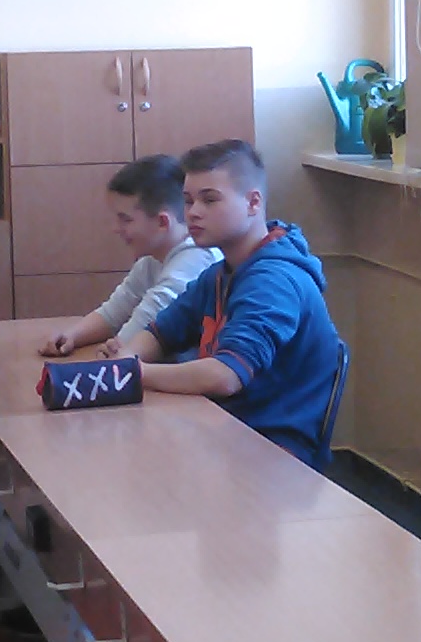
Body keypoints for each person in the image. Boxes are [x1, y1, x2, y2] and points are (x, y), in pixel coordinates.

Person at [125, 141, 343, 465]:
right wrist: (127, 359)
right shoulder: (222, 271)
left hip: (271, 450)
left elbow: (225, 376)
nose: (193, 212)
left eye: (209, 199)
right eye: (188, 200)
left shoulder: (274, 281)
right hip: (222, 426)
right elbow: (161, 331)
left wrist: (133, 372)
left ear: (253, 202)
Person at [38, 154, 212, 359]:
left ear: (162, 222)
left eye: (125, 219)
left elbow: (147, 325)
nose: (116, 228)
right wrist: (71, 336)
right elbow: (113, 313)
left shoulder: (196, 259)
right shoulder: (151, 260)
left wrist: (118, 348)